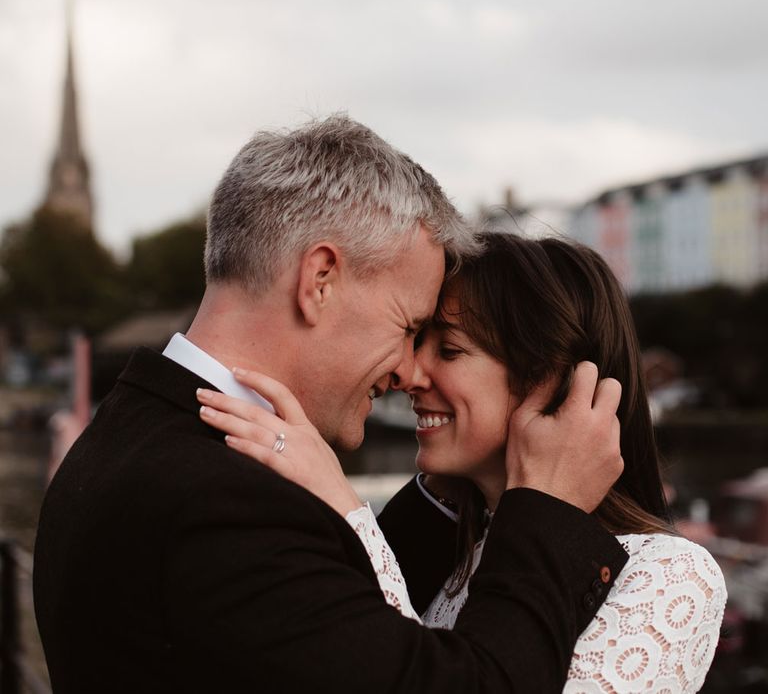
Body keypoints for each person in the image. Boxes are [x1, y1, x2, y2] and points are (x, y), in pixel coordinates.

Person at [34, 116, 627, 693]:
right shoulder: (229, 503)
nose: (405, 369)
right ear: (320, 279)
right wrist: (548, 508)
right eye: (409, 324)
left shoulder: (128, 431)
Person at [199, 233, 727, 692]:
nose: (410, 374)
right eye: (415, 341)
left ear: (552, 383)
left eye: (448, 350)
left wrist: (345, 508)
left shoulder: (671, 574)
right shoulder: (451, 549)